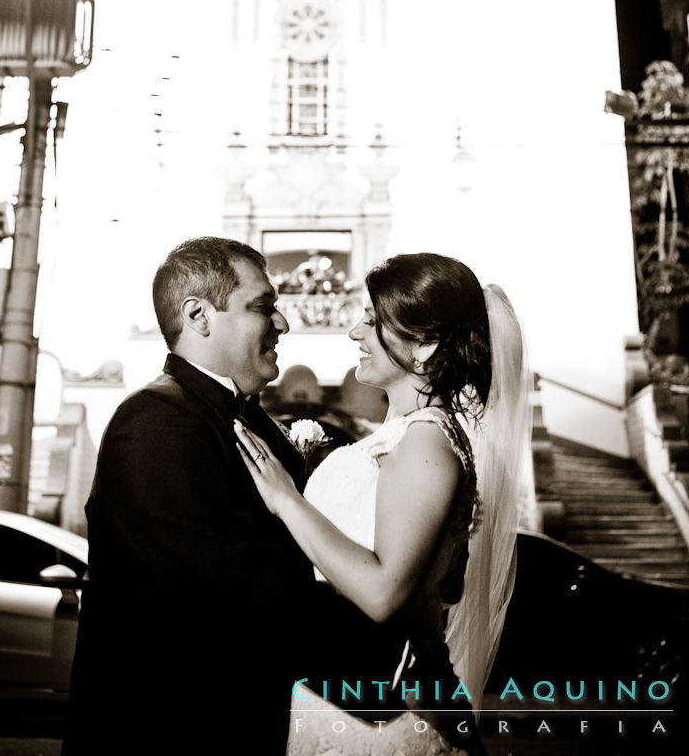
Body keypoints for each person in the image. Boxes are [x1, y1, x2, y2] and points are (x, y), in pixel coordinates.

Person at [62, 236, 401, 755]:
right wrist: (385, 662)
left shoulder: (243, 415)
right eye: (263, 307)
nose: (283, 324)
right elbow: (235, 588)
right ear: (199, 315)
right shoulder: (155, 423)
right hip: (168, 732)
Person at [236, 252, 529, 756]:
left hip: (385, 709)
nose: (354, 332)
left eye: (372, 321)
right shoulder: (395, 438)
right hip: (334, 692)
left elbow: (382, 592)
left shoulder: (426, 441)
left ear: (426, 345)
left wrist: (288, 499)